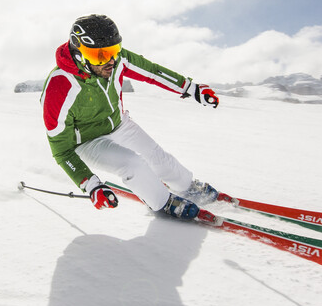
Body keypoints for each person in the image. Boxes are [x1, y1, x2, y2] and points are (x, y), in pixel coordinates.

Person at [41, 14, 220, 220]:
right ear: (79, 54)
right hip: (87, 142)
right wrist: (90, 184)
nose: (110, 61)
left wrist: (190, 88)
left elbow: (152, 72)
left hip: (118, 124)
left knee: (157, 156)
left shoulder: (116, 60)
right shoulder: (59, 86)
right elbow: (62, 151)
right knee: (133, 164)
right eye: (99, 56)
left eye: (113, 51)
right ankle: (164, 203)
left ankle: (186, 186)